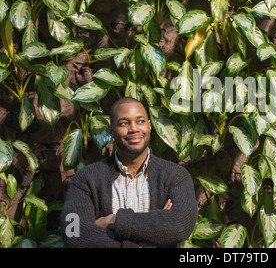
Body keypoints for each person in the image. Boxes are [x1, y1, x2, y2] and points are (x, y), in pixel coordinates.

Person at [60, 97, 198, 247]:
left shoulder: (176, 176)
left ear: (149, 126)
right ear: (111, 131)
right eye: (124, 123)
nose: (134, 128)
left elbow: (179, 226)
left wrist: (113, 221)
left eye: (140, 121)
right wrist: (151, 236)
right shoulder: (86, 179)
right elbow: (73, 234)